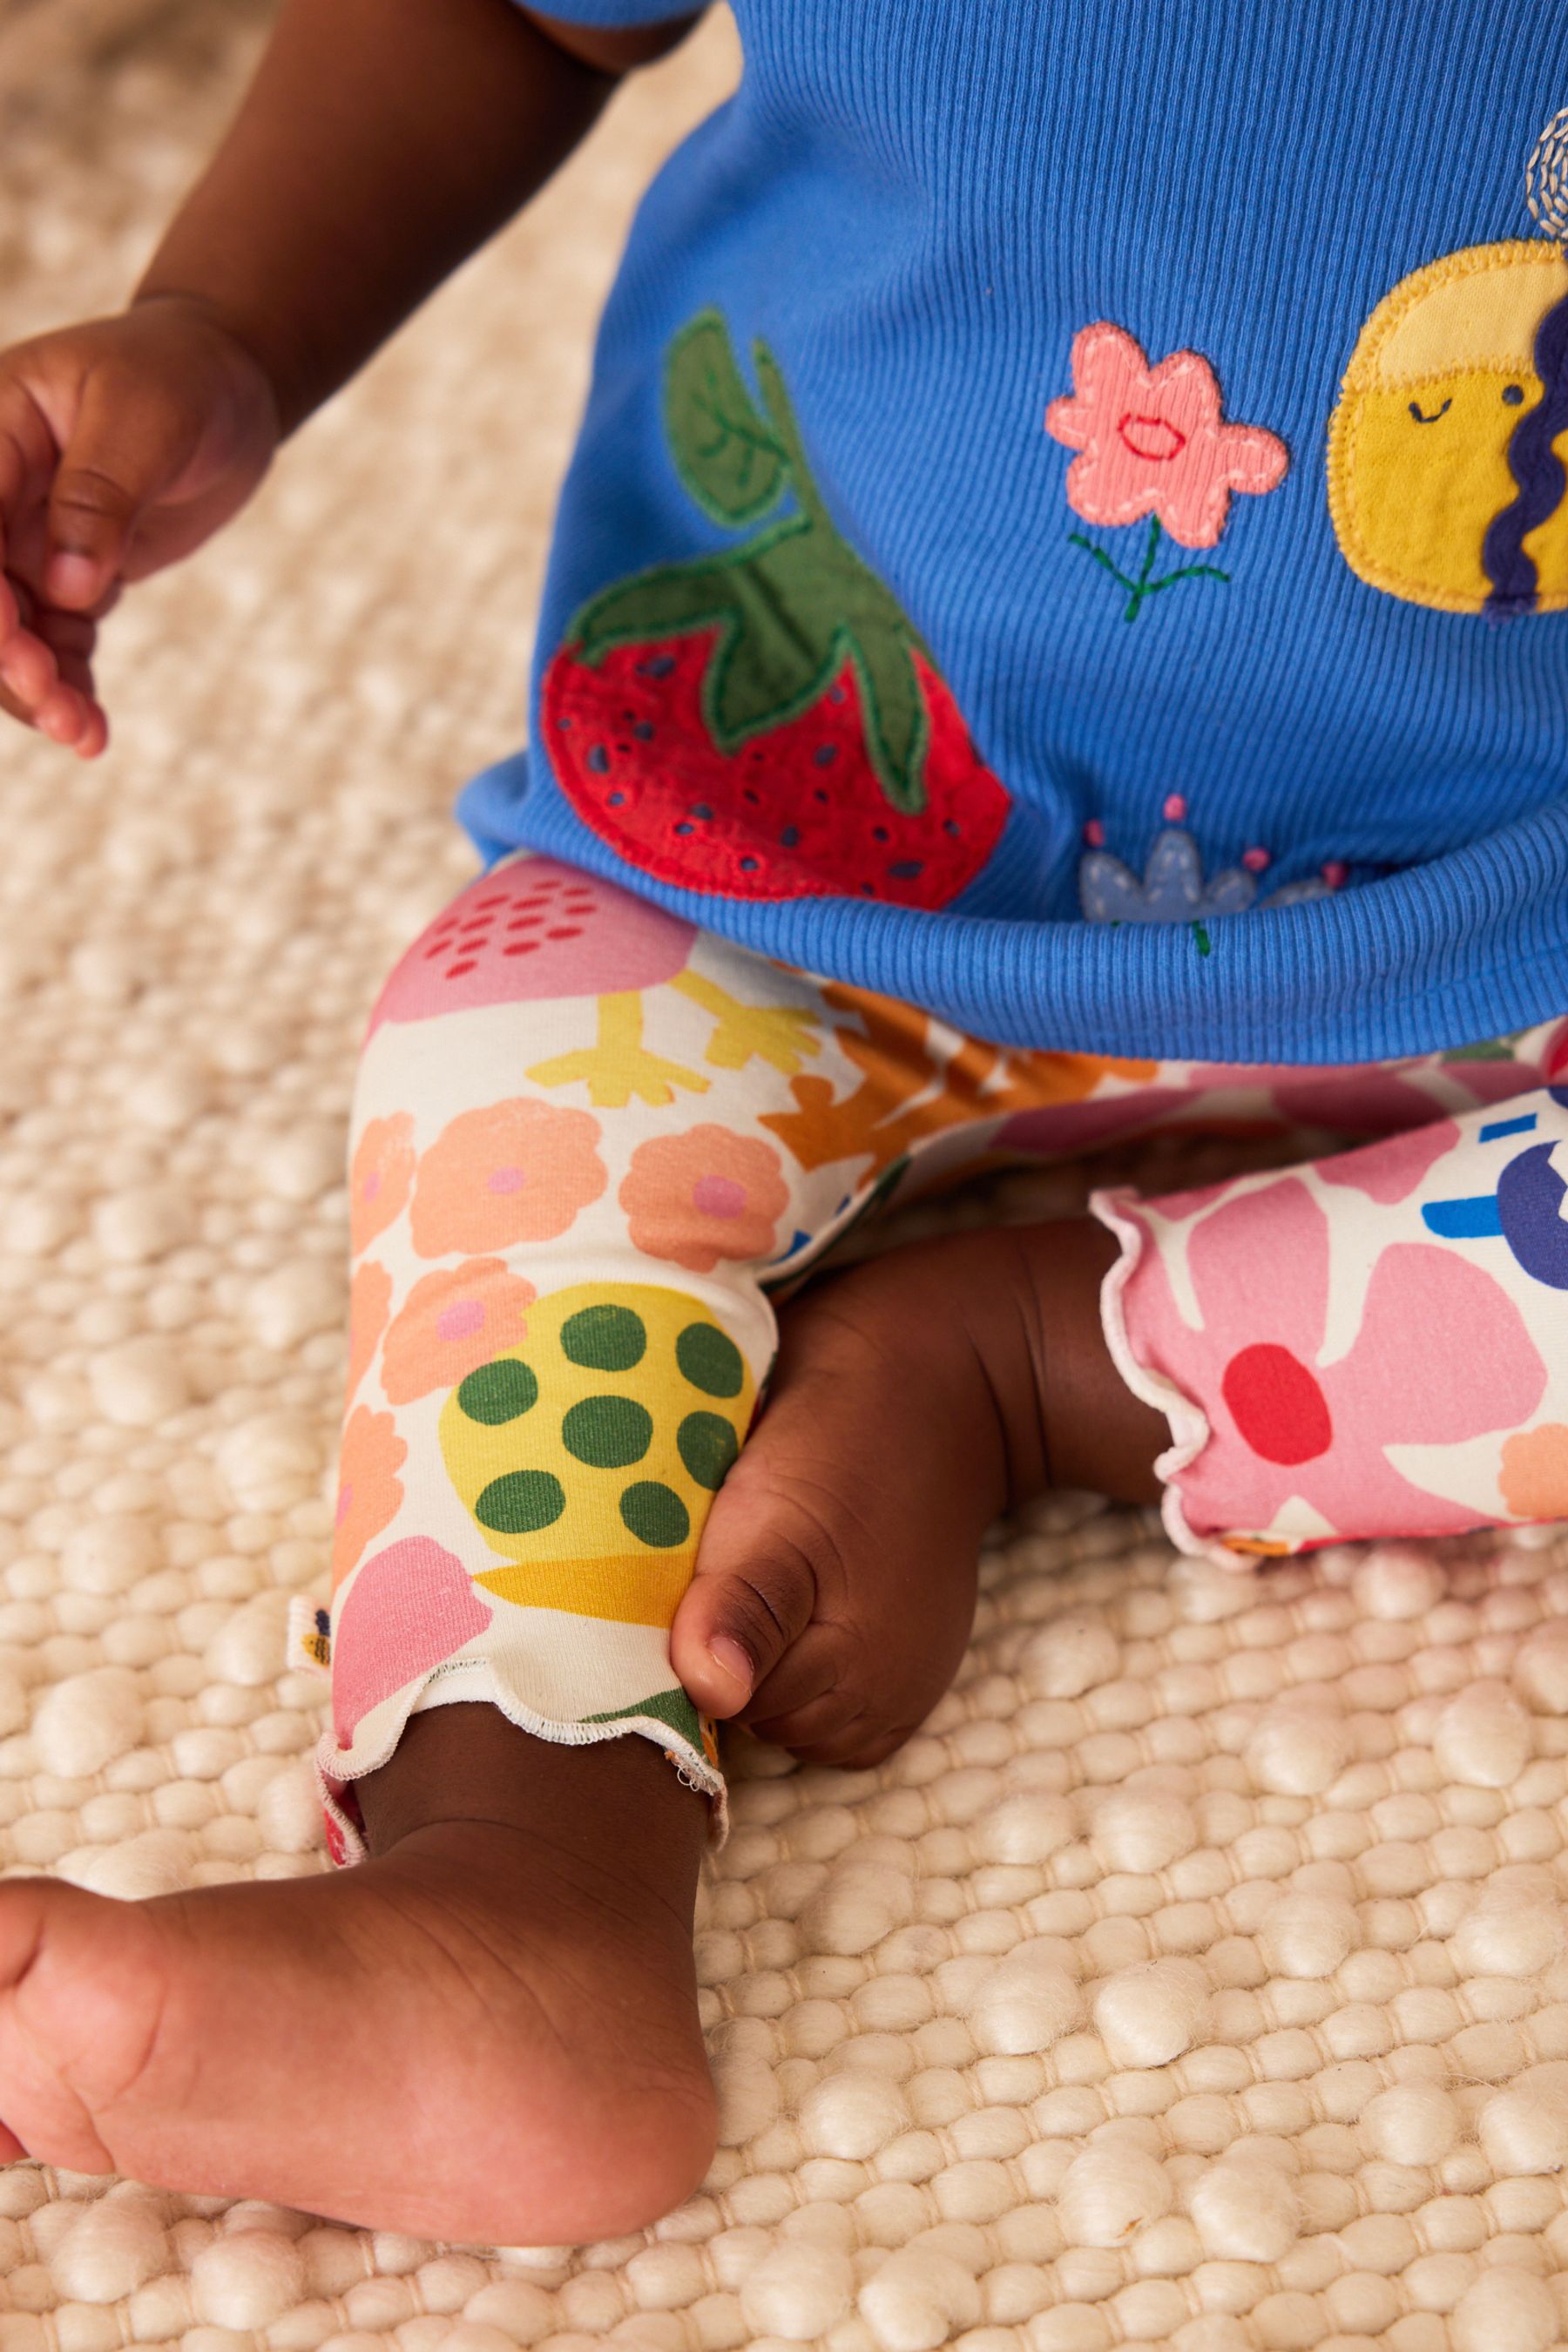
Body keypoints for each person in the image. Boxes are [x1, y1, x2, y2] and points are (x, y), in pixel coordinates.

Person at [0, 0, 1565, 2247]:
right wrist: (217, 326)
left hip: (1532, 902)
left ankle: (1044, 1361)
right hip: (842, 854)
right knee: (525, 1046)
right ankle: (513, 1881)